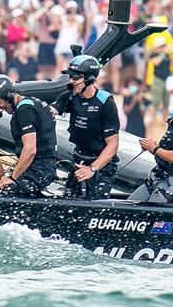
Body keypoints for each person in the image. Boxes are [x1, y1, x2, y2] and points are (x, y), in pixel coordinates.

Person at [50, 55, 120, 200]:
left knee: (96, 205)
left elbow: (113, 145)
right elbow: (50, 112)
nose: (71, 81)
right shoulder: (69, 97)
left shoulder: (105, 102)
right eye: (70, 77)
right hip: (79, 158)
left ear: (89, 79)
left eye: (75, 78)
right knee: (69, 200)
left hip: (100, 163)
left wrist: (92, 168)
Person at [0, 74, 57, 197]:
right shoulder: (32, 103)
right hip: (41, 168)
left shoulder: (24, 110)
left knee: (2, 193)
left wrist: (12, 178)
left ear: (9, 96)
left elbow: (30, 150)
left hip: (39, 170)